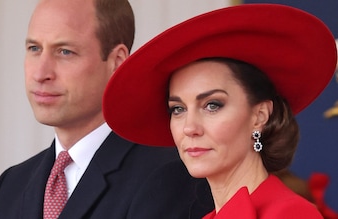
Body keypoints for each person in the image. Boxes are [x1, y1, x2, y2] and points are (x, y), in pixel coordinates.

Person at [103, 3, 337, 218]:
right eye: (178, 109)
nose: (189, 127)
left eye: (212, 105)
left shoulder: (290, 214)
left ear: (260, 116)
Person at [0, 0, 213, 218]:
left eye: (65, 51)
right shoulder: (10, 185)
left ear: (117, 61)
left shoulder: (167, 176)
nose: (40, 73)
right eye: (34, 48)